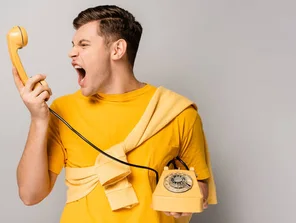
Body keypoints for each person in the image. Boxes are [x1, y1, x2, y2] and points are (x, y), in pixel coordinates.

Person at [11, 5, 217, 223]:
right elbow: (30, 195)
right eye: (73, 45)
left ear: (117, 50)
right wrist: (38, 119)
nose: (72, 52)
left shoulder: (176, 112)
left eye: (84, 44)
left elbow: (201, 186)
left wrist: (187, 199)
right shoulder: (64, 110)